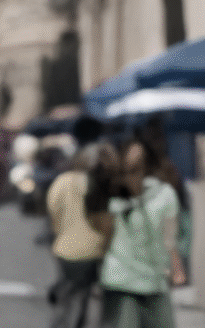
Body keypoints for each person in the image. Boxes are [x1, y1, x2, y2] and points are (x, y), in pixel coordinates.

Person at [99, 139, 186, 328]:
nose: (130, 175)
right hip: (120, 280)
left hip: (154, 279)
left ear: (146, 167)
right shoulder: (112, 196)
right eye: (126, 169)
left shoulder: (164, 195)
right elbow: (104, 236)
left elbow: (170, 238)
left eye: (135, 168)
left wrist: (176, 268)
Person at [46, 142, 116, 328]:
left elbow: (53, 210)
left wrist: (60, 231)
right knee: (85, 298)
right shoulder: (101, 184)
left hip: (65, 249)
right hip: (94, 251)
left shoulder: (63, 180)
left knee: (68, 298)